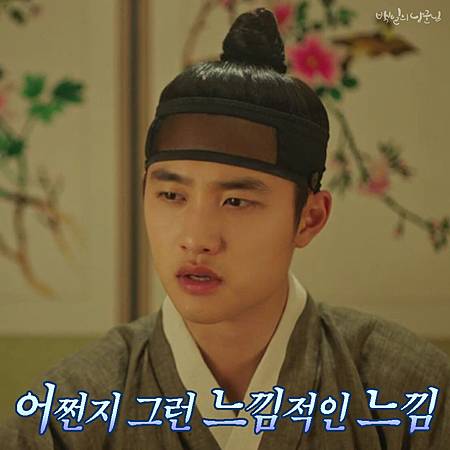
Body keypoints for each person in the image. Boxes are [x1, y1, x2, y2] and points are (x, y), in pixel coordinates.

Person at [1, 8, 449, 450]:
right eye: (171, 195)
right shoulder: (71, 408)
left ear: (309, 218)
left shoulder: (409, 393)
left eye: (236, 201)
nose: (196, 239)